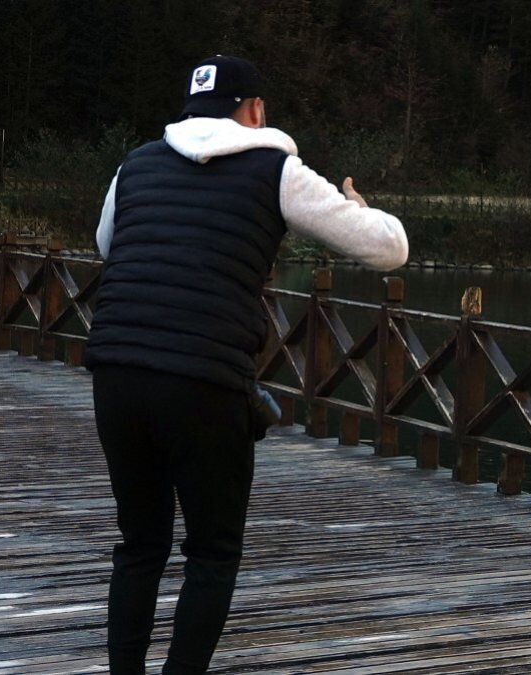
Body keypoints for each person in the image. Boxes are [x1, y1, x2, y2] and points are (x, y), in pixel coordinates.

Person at [85, 55, 409, 673]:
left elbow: (107, 244)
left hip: (117, 373)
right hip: (204, 381)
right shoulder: (276, 169)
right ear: (255, 109)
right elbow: (389, 248)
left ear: (189, 110)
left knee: (140, 545)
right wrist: (362, 208)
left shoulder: (135, 165)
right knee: (212, 552)